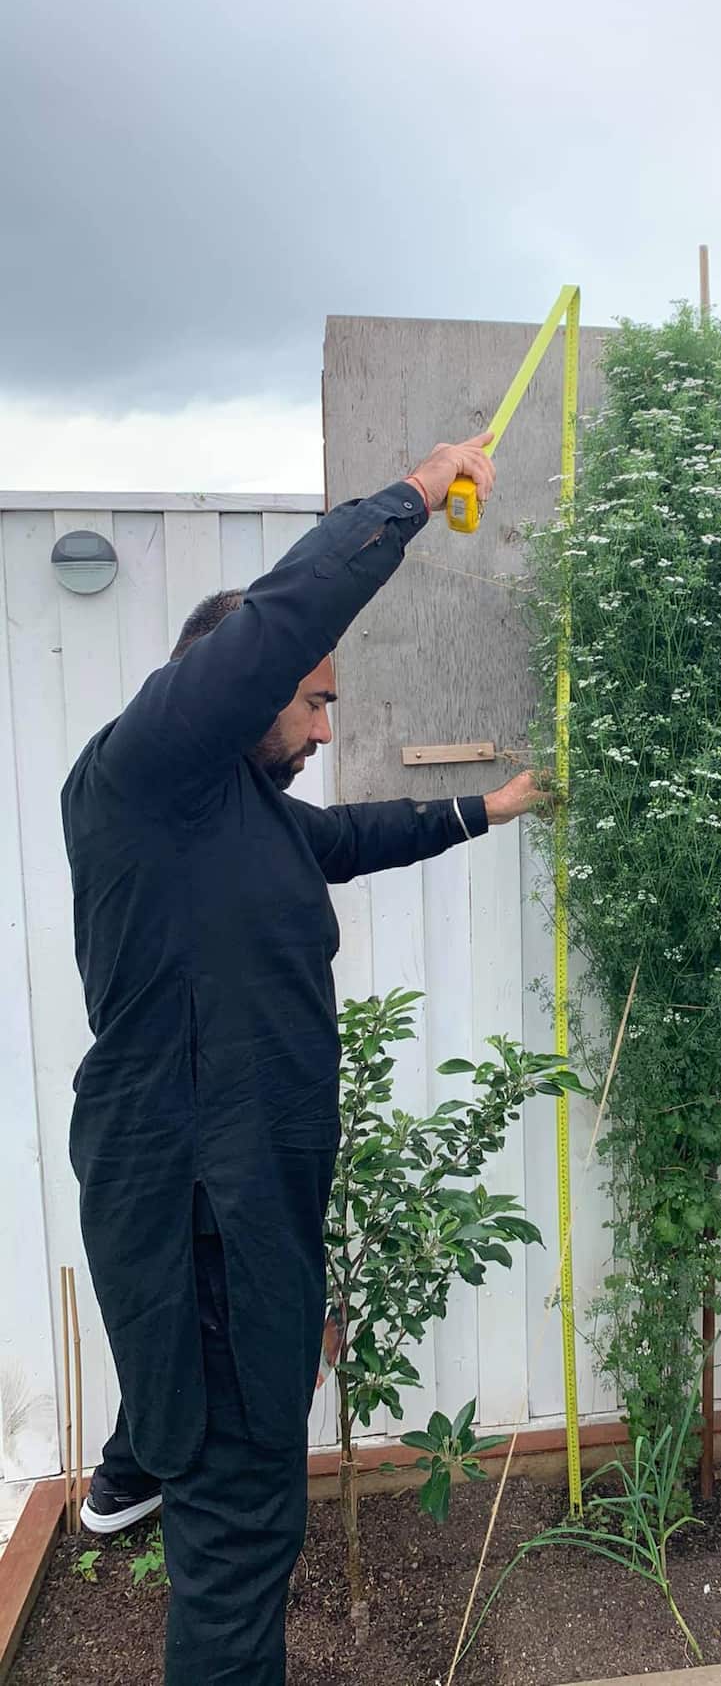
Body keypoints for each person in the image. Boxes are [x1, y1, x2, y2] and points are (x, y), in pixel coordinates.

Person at [61, 434, 539, 1684]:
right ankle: (157, 1461)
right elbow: (281, 619)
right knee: (242, 1530)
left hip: (242, 1202)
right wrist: (415, 496)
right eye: (313, 700)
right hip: (201, 1216)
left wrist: (489, 808)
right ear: (232, 687)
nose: (328, 724)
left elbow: (351, 838)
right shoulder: (143, 773)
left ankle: (133, 1465)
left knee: (216, 1434)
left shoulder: (243, 819)